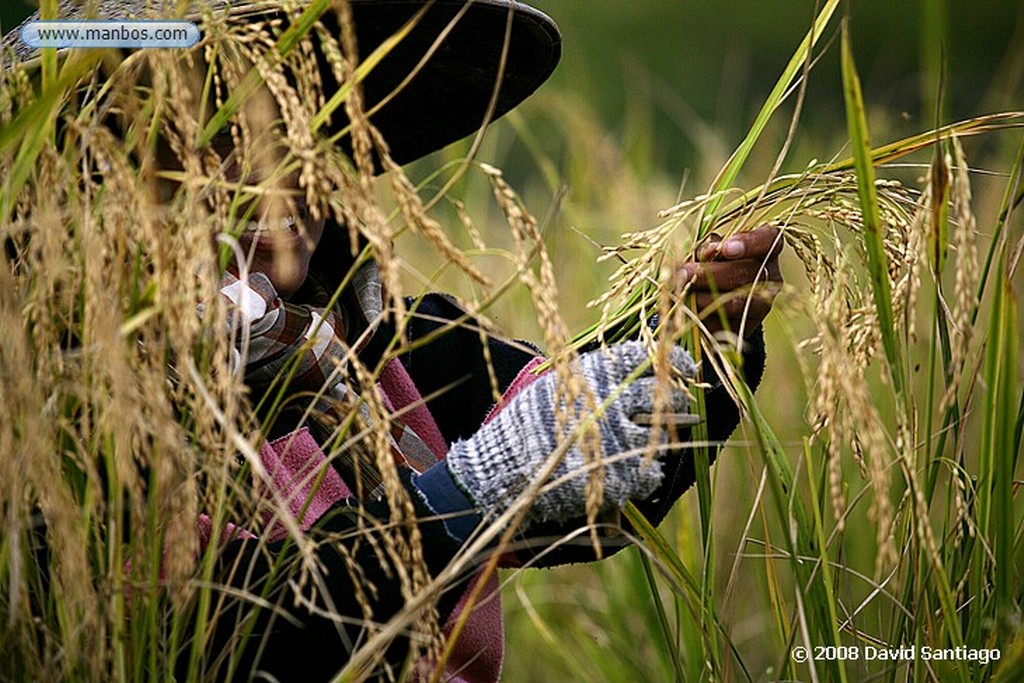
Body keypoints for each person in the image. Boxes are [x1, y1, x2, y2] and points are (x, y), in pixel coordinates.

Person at [5, 1, 783, 680]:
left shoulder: (392, 347)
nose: (288, 178)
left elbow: (597, 476)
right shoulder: (43, 422)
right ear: (97, 164)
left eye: (306, 132)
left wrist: (697, 336)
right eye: (223, 132)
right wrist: (462, 498)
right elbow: (253, 640)